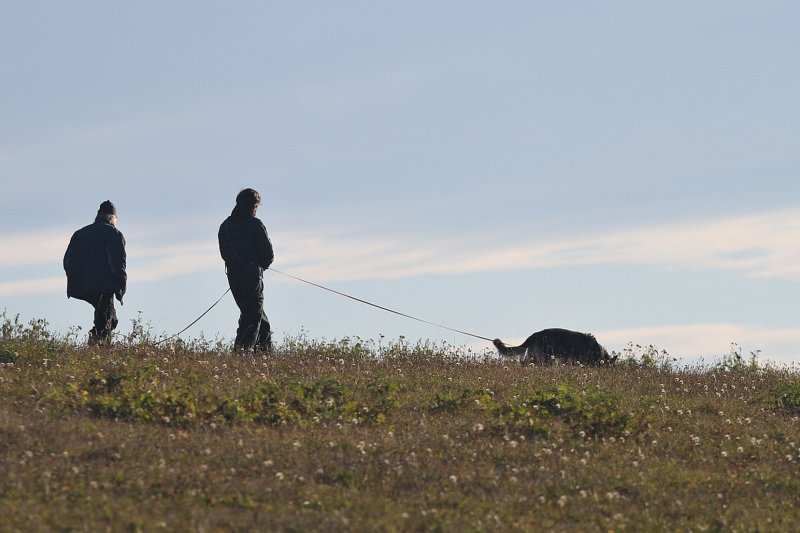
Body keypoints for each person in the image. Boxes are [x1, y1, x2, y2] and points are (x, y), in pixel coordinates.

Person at [218, 188, 275, 352]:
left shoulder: (225, 226)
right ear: (253, 205)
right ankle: (242, 353)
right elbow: (268, 254)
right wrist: (261, 265)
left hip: (234, 277)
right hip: (252, 277)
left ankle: (265, 352)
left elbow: (224, 253)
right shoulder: (255, 224)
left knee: (256, 314)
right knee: (253, 317)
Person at [63, 200, 127, 345]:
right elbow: (118, 263)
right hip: (105, 284)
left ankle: (99, 344)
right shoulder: (114, 233)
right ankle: (97, 346)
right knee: (106, 318)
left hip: (81, 285)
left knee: (109, 317)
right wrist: (121, 288)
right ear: (112, 217)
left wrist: (74, 281)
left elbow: (67, 261)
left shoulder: (79, 234)